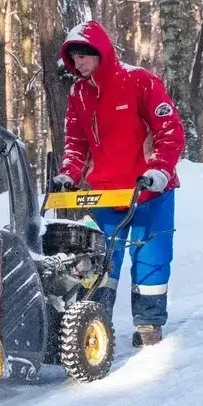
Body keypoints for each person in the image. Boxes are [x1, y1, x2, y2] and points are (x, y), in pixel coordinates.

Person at [49, 21, 185, 347]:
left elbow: (170, 130)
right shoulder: (79, 93)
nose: (77, 64)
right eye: (74, 59)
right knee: (99, 262)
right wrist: (69, 172)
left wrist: (161, 169)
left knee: (150, 258)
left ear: (101, 53)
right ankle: (93, 326)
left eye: (83, 57)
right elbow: (76, 142)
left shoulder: (140, 81)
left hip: (149, 190)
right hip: (105, 194)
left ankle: (148, 324)